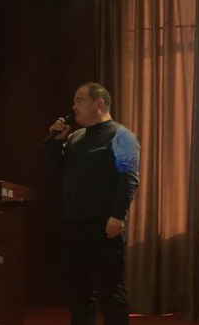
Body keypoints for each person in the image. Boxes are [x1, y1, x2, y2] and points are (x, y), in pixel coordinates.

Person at [44, 82, 140, 325]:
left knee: (109, 289)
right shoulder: (75, 137)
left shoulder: (121, 135)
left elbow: (128, 178)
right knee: (78, 291)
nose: (73, 107)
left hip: (104, 223)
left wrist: (118, 216)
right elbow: (58, 169)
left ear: (99, 104)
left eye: (80, 100)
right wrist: (55, 142)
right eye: (74, 101)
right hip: (74, 222)